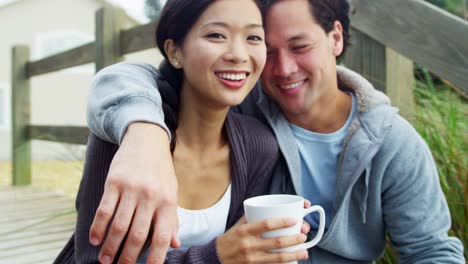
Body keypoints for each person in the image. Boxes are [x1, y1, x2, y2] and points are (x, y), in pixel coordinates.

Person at [85, 0, 465, 263]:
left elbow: (430, 250)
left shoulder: (393, 144)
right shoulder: (247, 107)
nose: (283, 69)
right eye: (269, 47)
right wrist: (143, 131)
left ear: (335, 38)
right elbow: (127, 78)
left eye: (300, 47)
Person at [54, 0, 315, 263]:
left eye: (254, 37)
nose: (239, 54)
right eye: (216, 35)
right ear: (174, 52)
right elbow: (94, 259)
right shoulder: (128, 139)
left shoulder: (259, 146)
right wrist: (215, 256)